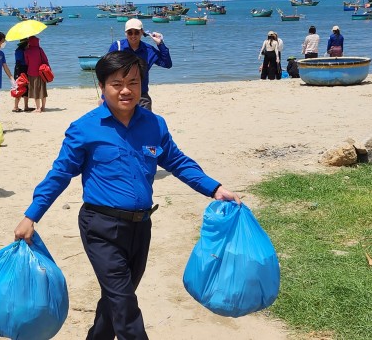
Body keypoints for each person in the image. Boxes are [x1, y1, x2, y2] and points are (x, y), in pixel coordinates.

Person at [13, 51, 240, 340]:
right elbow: (59, 175)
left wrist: (215, 188)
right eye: (117, 83)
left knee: (117, 298)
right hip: (100, 227)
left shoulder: (154, 124)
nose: (126, 90)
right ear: (102, 86)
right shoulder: (85, 128)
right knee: (125, 305)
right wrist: (31, 215)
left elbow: (177, 161)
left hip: (141, 226)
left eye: (133, 82)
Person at [107, 18, 172, 111]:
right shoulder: (117, 47)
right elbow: (108, 72)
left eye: (136, 32)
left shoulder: (149, 50)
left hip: (141, 96)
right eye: (130, 32)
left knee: (145, 124)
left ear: (142, 32)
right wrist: (104, 96)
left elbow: (167, 64)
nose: (133, 36)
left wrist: (160, 44)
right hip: (120, 94)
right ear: (125, 33)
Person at [24, 35, 50, 113]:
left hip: (32, 72)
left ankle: (38, 108)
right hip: (41, 72)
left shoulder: (27, 51)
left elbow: (26, 62)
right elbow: (45, 59)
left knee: (35, 91)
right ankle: (43, 107)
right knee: (42, 90)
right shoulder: (40, 49)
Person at [12, 38, 34, 113]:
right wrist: (18, 75)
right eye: (28, 43)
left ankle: (26, 106)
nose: (29, 44)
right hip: (21, 69)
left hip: (22, 69)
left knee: (25, 87)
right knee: (20, 87)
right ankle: (16, 107)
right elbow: (18, 62)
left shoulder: (21, 50)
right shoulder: (20, 51)